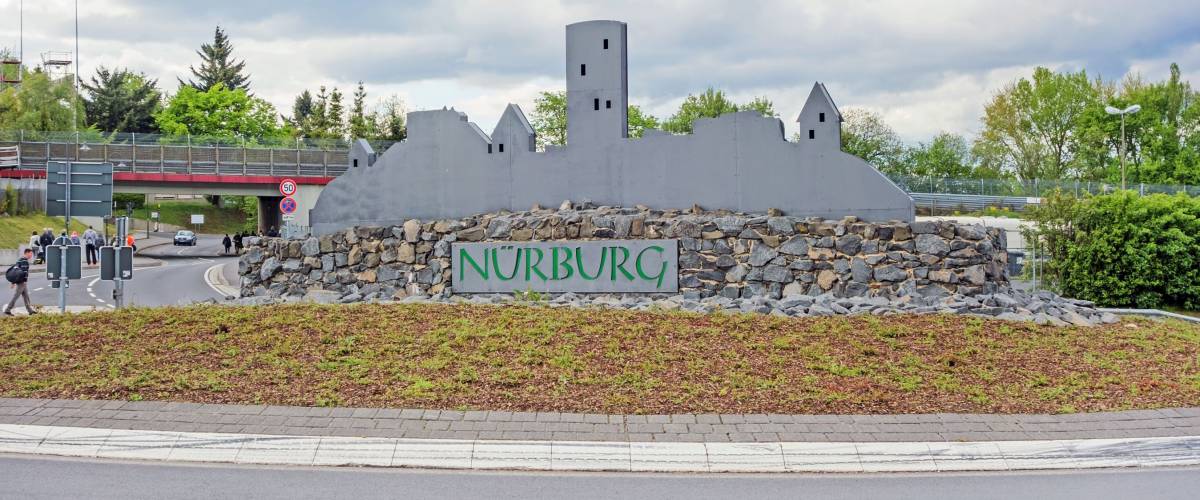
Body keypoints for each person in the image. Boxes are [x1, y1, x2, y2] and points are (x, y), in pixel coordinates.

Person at [3, 248, 37, 316]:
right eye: (30, 254)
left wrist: (13, 282)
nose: (31, 255)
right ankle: (8, 309)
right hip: (21, 282)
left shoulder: (19, 260)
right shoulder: (24, 261)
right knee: (16, 296)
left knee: (26, 296)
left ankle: (30, 310)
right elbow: (24, 272)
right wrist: (24, 281)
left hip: (20, 281)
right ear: (27, 253)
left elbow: (15, 272)